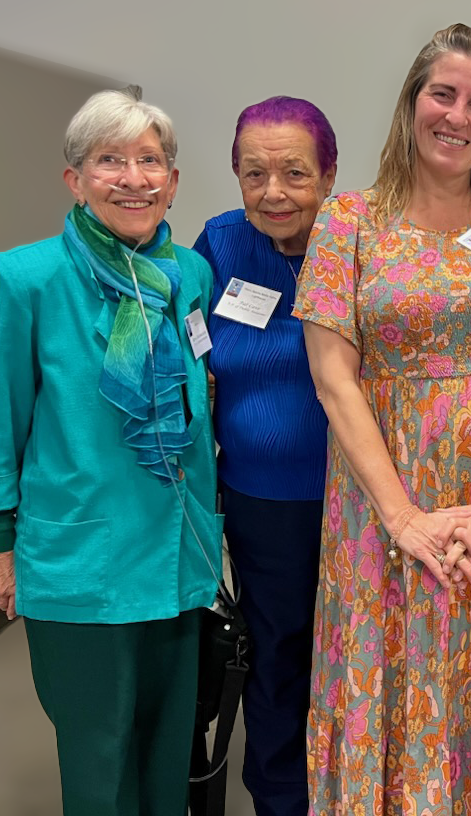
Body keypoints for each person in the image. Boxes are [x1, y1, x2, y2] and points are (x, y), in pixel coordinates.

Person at [293, 23, 471, 814]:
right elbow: (333, 376)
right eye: (443, 94)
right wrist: (403, 517)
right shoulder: (350, 221)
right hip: (384, 498)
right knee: (391, 675)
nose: (459, 115)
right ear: (412, 103)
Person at [0, 87, 220, 816]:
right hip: (83, 559)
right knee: (100, 754)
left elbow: (197, 395)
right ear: (74, 178)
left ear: (172, 182)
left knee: (169, 749)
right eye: (111, 160)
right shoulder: (27, 279)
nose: (134, 178)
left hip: (178, 552)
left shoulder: (187, 275)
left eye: (151, 161)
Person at [192, 96, 338, 816]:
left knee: (349, 655)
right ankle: (283, 799)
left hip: (361, 493)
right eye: (254, 174)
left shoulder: (361, 239)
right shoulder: (218, 246)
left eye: (294, 174)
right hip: (261, 502)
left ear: (329, 176)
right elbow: (186, 351)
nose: (273, 193)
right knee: (276, 655)